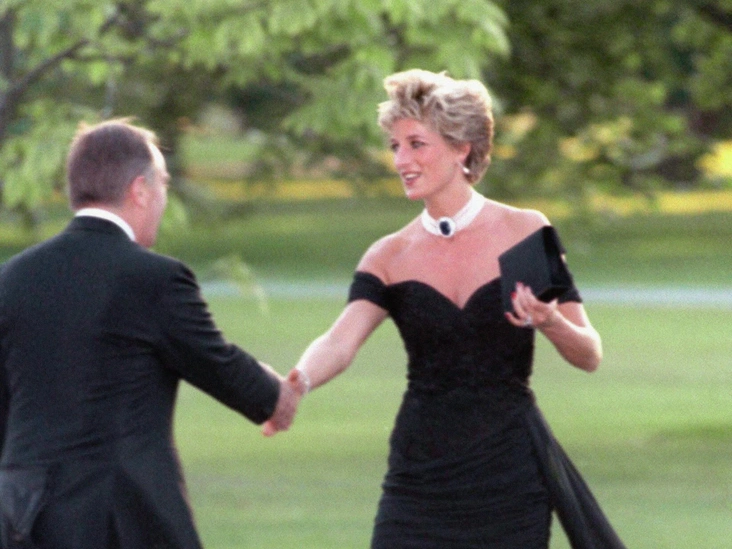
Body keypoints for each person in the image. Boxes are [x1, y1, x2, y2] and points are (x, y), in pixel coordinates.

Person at [263, 69, 626, 548]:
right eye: (395, 146)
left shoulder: (524, 232)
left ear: (462, 148)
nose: (401, 161)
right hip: (419, 475)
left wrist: (551, 321)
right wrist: (299, 382)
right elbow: (338, 341)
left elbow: (589, 354)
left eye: (416, 144)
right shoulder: (388, 255)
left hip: (509, 474)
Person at [0, 119, 302, 549]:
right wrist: (275, 395)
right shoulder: (152, 278)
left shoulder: (12, 278)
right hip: (122, 519)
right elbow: (216, 363)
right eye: (163, 184)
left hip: (24, 518)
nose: (163, 198)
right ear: (139, 190)